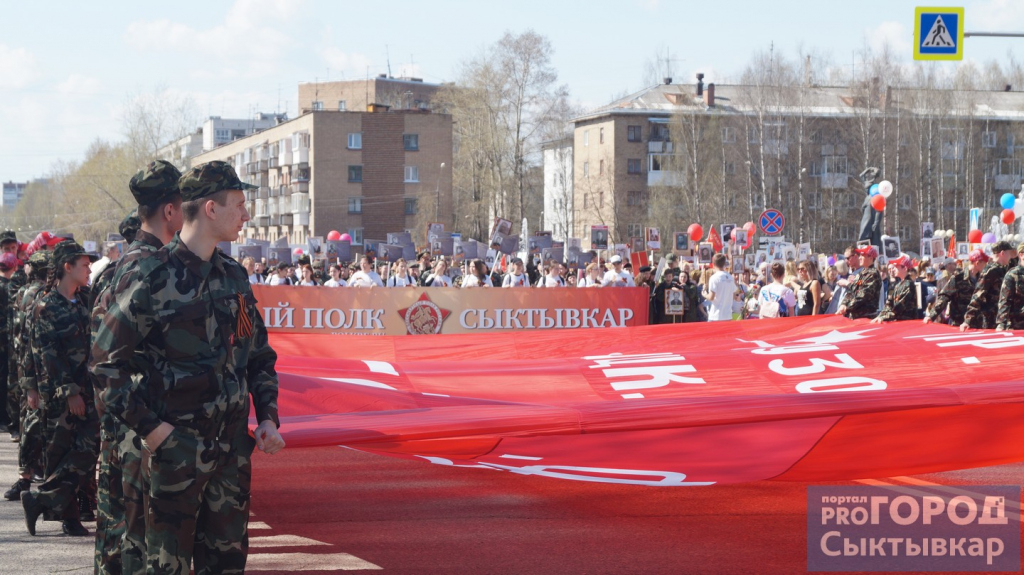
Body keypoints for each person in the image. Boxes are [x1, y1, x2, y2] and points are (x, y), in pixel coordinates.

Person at [91, 160, 283, 573]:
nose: (246, 214)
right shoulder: (151, 276)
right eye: (239, 204)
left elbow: (258, 355)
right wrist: (154, 431)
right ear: (211, 209)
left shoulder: (233, 277)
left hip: (230, 456)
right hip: (173, 458)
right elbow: (105, 365)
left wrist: (268, 415)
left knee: (226, 564)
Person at [91, 159, 184, 574]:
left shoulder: (125, 264)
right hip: (137, 424)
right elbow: (106, 360)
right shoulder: (149, 267)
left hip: (124, 420)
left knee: (119, 533)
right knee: (137, 542)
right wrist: (150, 426)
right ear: (170, 210)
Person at [21, 240, 100, 538]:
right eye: (84, 264)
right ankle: (70, 518)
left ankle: (40, 499)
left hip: (88, 389)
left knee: (87, 449)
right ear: (68, 267)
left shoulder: (85, 300)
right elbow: (48, 354)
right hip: (60, 395)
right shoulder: (46, 306)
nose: (89, 269)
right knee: (61, 451)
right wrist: (69, 391)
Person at [3, 251, 50, 505]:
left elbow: (16, 332)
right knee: (38, 419)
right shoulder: (42, 294)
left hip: (22, 364)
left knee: (27, 419)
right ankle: (36, 471)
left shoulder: (22, 292)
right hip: (39, 368)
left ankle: (27, 473)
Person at [961, 241, 1014, 331]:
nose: (1010, 257)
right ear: (1003, 253)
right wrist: (968, 319)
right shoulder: (990, 271)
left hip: (1002, 318)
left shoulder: (1003, 269)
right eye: (1009, 253)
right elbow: (978, 294)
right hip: (990, 319)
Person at [838, 246, 881, 319]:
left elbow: (863, 294)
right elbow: (854, 290)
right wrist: (844, 304)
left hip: (866, 316)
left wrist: (847, 307)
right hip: (856, 316)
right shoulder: (861, 274)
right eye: (860, 255)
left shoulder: (873, 274)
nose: (859, 258)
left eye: (862, 256)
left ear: (870, 258)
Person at [872, 254, 917, 323]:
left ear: (905, 268)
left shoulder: (909, 285)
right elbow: (889, 303)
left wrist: (883, 317)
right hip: (898, 322)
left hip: (907, 323)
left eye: (896, 267)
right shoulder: (897, 285)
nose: (893, 269)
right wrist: (880, 316)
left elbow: (898, 307)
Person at [996, 242, 1024, 331]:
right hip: (1018, 325)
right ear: (1021, 255)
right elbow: (1005, 300)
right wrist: (1001, 323)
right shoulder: (1013, 274)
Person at [702, 254, 735, 321]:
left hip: (716, 316)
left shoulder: (714, 278)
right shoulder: (730, 277)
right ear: (724, 263)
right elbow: (733, 295)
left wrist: (704, 294)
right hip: (727, 315)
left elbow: (711, 297)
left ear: (713, 264)